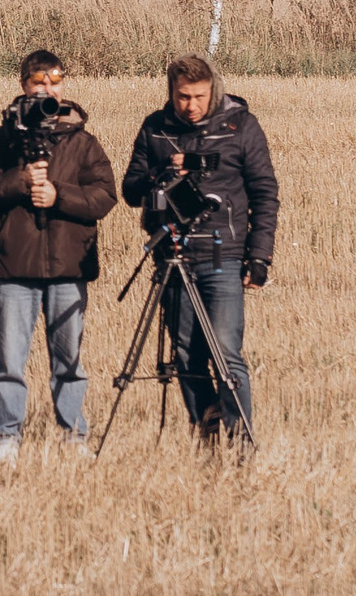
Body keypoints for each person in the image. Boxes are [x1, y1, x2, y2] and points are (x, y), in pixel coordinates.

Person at [0, 49, 118, 462]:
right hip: (14, 265)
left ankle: (73, 434)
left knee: (69, 360)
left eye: (54, 82)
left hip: (69, 266)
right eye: (38, 83)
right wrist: (18, 180)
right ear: (23, 86)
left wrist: (58, 194)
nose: (47, 90)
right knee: (10, 359)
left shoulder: (82, 142)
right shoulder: (2, 139)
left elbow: (105, 196)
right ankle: (6, 435)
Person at [122, 54, 278, 446]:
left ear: (214, 90)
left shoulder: (240, 126)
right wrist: (165, 173)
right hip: (172, 257)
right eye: (182, 97)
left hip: (222, 254)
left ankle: (241, 442)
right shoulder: (155, 129)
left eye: (198, 97)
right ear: (171, 92)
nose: (190, 106)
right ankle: (207, 430)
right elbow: (130, 190)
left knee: (226, 354)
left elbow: (265, 193)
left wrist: (259, 256)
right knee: (186, 357)